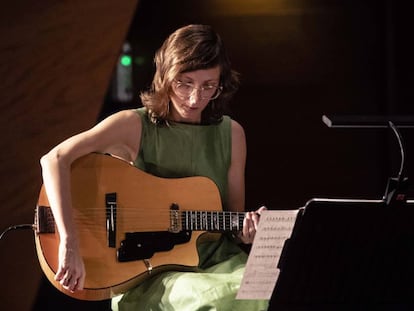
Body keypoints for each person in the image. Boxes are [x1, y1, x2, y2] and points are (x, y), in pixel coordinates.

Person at [40, 24, 268, 310]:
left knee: (267, 287)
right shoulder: (134, 125)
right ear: (165, 76)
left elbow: (231, 221)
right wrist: (69, 242)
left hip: (217, 261)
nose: (196, 98)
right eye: (184, 83)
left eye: (209, 85)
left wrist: (246, 231)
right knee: (220, 297)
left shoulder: (232, 134)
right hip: (151, 270)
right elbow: (54, 159)